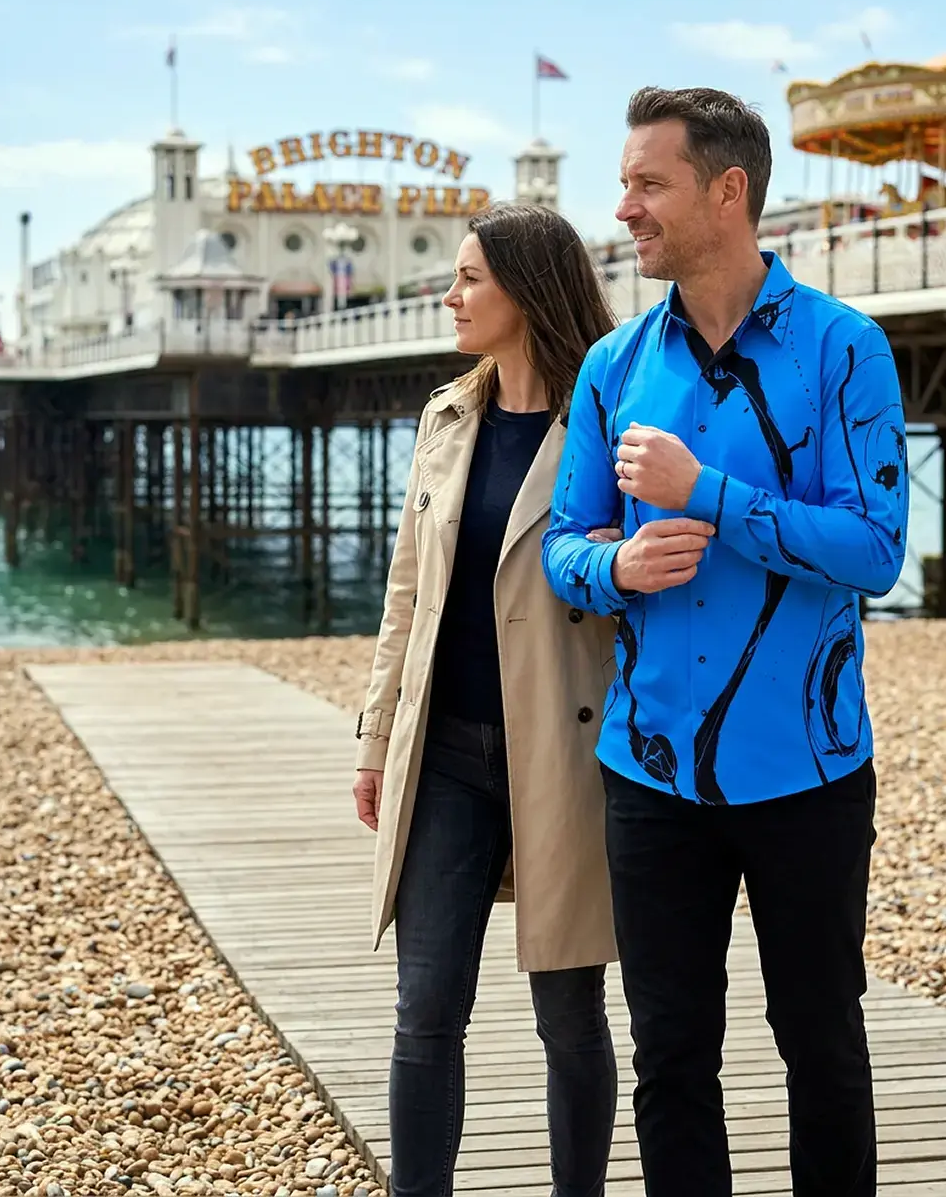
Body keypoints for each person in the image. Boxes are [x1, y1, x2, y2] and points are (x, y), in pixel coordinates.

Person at [542, 87, 908, 1197]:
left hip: (807, 769)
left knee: (822, 1045)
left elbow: (875, 550)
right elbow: (562, 541)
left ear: (726, 190)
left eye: (647, 184)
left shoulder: (845, 349)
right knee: (671, 1057)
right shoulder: (612, 363)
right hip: (649, 772)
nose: (625, 209)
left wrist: (709, 495)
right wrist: (615, 566)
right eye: (626, 185)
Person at [353, 201, 620, 1197]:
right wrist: (377, 738)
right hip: (444, 754)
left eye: (469, 277)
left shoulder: (605, 420)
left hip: (564, 750)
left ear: (527, 287)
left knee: (568, 1008)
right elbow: (405, 596)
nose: (450, 294)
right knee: (424, 1008)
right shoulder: (446, 414)